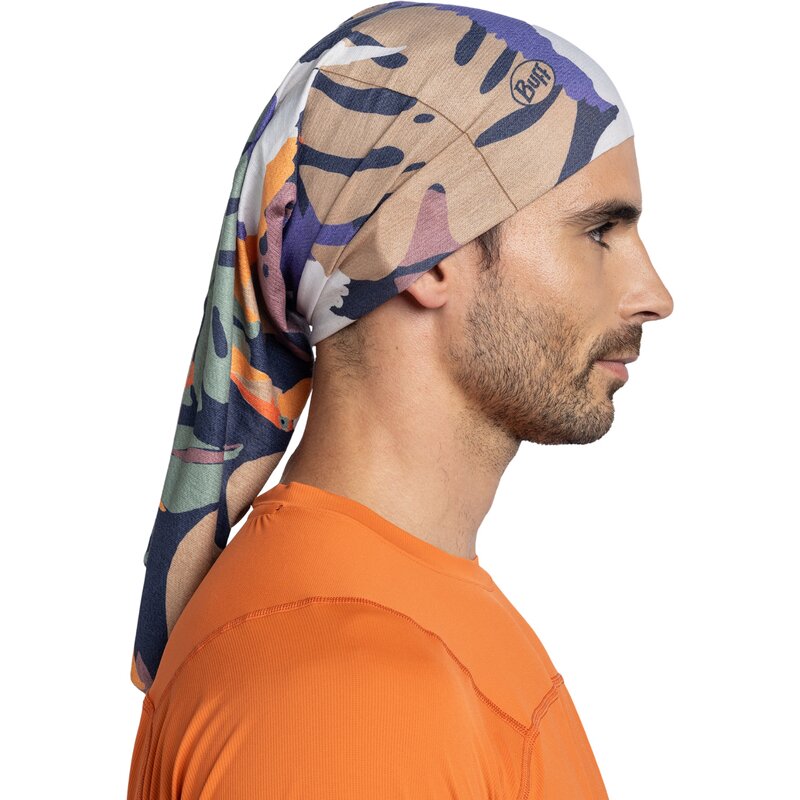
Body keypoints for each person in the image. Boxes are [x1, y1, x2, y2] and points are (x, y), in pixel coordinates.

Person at [127, 3, 673, 797]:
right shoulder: (341, 681)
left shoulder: (397, 620)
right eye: (599, 232)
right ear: (428, 247)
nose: (653, 294)